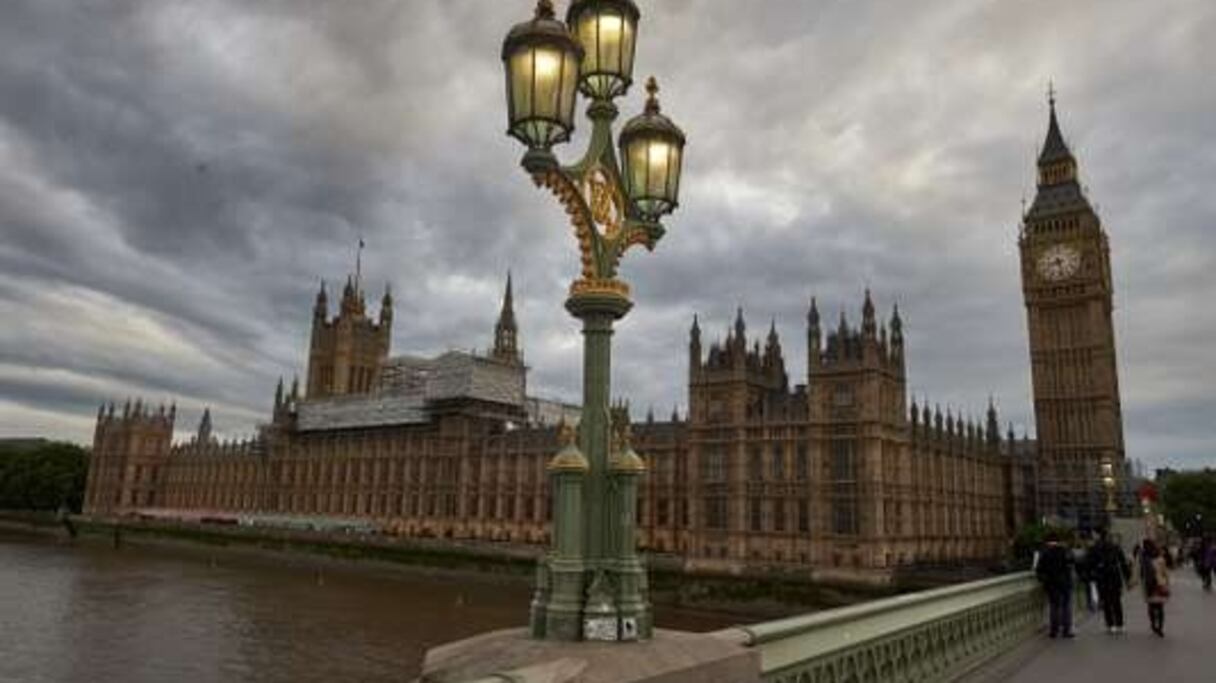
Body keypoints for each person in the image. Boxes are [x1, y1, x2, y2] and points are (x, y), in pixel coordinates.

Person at [1089, 529, 1131, 634]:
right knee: (1116, 601)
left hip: (1102, 577)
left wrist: (1092, 575)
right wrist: (1127, 578)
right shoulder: (1115, 547)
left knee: (1106, 602)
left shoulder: (1095, 548)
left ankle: (1110, 625)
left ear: (1099, 536)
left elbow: (1089, 563)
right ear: (1107, 536)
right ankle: (1120, 624)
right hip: (1115, 577)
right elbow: (1123, 563)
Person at [1036, 530, 1076, 638]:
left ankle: (1054, 630)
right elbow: (1071, 563)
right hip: (1065, 582)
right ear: (1057, 541)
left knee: (1054, 606)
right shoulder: (1064, 551)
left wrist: (1043, 579)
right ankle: (1066, 630)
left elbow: (1039, 569)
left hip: (1051, 583)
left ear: (1047, 541)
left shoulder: (1044, 553)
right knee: (1066, 606)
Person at [1139, 538, 1171, 637]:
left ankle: (1153, 625)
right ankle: (1160, 627)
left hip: (1149, 585)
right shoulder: (1160, 557)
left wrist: (1132, 583)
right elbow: (1165, 572)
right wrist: (1167, 583)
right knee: (1160, 607)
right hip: (1160, 584)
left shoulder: (1143, 558)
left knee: (1151, 606)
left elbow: (1139, 572)